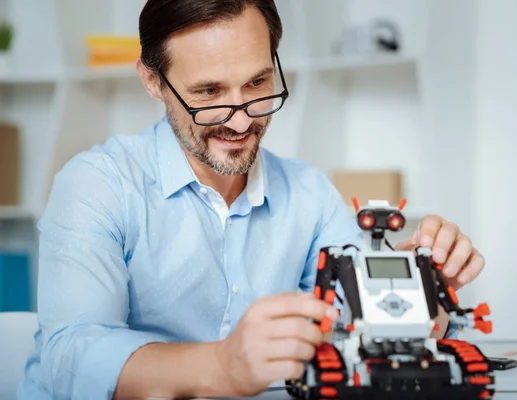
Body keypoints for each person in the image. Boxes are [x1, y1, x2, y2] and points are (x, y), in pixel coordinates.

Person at [18, 1, 486, 399]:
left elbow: (357, 332)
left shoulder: (309, 193)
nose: (241, 121)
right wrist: (222, 366)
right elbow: (71, 354)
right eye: (209, 93)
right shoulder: (96, 184)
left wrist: (424, 294)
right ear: (152, 80)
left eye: (259, 84)